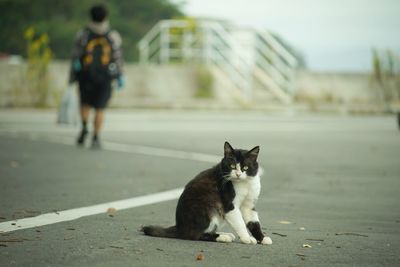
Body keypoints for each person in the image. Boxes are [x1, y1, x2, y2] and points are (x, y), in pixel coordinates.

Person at [69, 4, 124, 149]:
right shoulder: (112, 35)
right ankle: (96, 136)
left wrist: (72, 76)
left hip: (85, 75)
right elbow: (117, 57)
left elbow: (75, 55)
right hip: (105, 76)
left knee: (85, 103)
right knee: (100, 107)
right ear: (105, 17)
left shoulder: (83, 34)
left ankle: (85, 127)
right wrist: (119, 76)